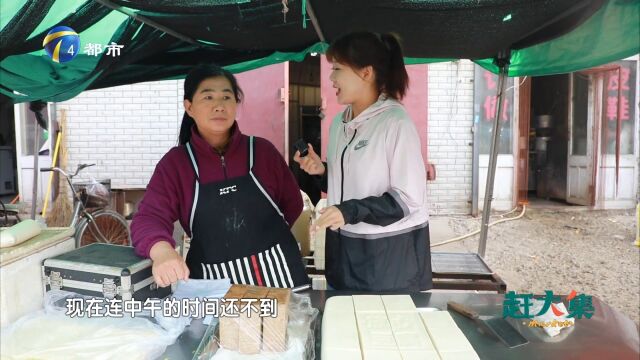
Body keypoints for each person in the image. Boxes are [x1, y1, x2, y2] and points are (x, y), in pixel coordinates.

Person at [132, 64, 309, 289]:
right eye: (208, 97)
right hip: (213, 285)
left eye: (227, 97)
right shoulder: (176, 165)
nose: (219, 106)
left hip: (280, 277)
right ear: (189, 107)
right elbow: (148, 218)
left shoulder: (262, 152)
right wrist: (162, 251)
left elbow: (292, 203)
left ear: (236, 104)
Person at [294, 32, 431, 292]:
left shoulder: (394, 123)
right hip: (343, 253)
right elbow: (352, 181)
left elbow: (408, 199)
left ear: (366, 73)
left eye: (337, 69)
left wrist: (348, 211)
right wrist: (322, 171)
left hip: (388, 257)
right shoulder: (339, 124)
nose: (331, 78)